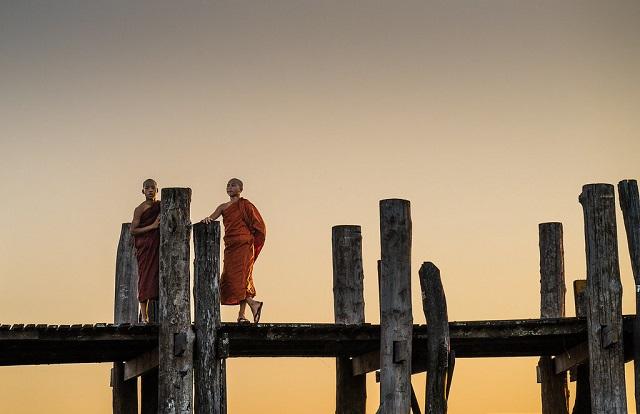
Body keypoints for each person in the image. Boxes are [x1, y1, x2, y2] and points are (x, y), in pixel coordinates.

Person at [203, 178, 266, 323]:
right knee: (230, 278)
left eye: (233, 185)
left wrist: (251, 239)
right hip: (230, 246)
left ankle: (242, 315)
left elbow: (259, 225)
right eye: (228, 185)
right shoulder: (223, 207)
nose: (230, 187)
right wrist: (207, 219)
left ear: (241, 189)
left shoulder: (246, 205)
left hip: (244, 245)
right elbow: (212, 217)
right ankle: (253, 304)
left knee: (242, 278)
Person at [130, 178, 161, 323]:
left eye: (152, 188)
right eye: (147, 188)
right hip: (145, 247)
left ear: (157, 190)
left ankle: (162, 313)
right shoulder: (140, 209)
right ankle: (144, 316)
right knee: (145, 279)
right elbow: (133, 230)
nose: (150, 190)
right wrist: (153, 226)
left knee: (159, 277)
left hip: (159, 246)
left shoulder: (162, 206)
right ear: (143, 191)